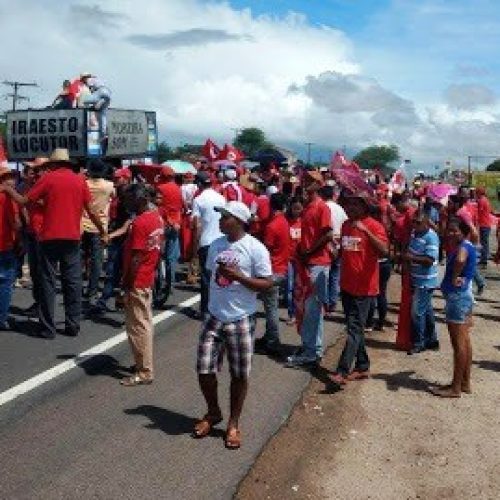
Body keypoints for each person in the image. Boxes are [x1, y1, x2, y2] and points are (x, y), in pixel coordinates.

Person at [193, 201, 273, 449]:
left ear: (238, 221)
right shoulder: (217, 244)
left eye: (224, 216)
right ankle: (213, 412)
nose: (219, 220)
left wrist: (238, 277)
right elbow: (211, 279)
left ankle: (233, 423)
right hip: (215, 316)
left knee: (239, 374)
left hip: (241, 318)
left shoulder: (255, 248)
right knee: (204, 368)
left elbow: (267, 283)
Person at [2, 148, 105, 339]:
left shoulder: (48, 179)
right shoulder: (79, 180)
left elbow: (24, 200)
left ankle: (48, 328)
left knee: (47, 282)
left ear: (53, 164)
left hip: (49, 238)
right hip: (72, 238)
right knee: (72, 282)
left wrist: (8, 189)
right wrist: (102, 230)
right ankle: (72, 325)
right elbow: (91, 210)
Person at [330, 192, 388, 385]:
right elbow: (345, 252)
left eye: (355, 205)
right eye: (349, 204)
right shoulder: (346, 225)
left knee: (354, 330)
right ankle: (362, 366)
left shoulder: (374, 226)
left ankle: (342, 370)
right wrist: (335, 251)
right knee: (355, 329)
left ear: (364, 207)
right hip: (347, 286)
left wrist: (366, 232)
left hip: (364, 289)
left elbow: (384, 251)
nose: (351, 208)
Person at [286, 170, 333, 367]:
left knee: (311, 308)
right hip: (309, 262)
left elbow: (328, 234)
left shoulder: (321, 207)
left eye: (311, 181)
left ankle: (311, 351)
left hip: (317, 263)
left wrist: (308, 251)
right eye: (305, 179)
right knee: (310, 307)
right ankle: (313, 347)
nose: (306, 183)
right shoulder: (308, 207)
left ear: (319, 184)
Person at [120, 184, 164, 386]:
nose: (125, 204)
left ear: (138, 201)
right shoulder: (156, 217)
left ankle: (145, 371)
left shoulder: (141, 223)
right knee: (143, 323)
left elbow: (136, 257)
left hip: (138, 279)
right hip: (147, 276)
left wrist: (126, 283)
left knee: (137, 326)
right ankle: (142, 363)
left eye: (128, 201)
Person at [432, 218, 476, 398]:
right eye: (449, 230)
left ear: (463, 232)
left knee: (458, 343)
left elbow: (460, 260)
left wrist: (455, 276)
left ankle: (455, 387)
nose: (450, 233)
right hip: (463, 296)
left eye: (454, 230)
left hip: (458, 298)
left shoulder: (463, 247)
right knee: (465, 341)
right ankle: (464, 383)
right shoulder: (468, 244)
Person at [254, 192, 290, 355]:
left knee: (270, 308)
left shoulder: (272, 226)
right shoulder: (283, 222)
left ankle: (273, 340)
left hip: (272, 270)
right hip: (281, 267)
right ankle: (270, 337)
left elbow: (264, 250)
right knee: (271, 306)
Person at [94, 168, 132, 314]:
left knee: (121, 272)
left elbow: (128, 223)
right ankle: (105, 300)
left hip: (125, 239)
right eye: (114, 178)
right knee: (112, 270)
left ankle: (114, 300)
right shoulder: (117, 194)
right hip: (115, 236)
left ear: (126, 179)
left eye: (118, 178)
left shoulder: (129, 197)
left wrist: (112, 235)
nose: (115, 180)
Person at [191, 171, 226, 318]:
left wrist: (194, 247)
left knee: (206, 278)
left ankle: (205, 310)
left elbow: (197, 225)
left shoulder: (198, 200)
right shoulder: (221, 198)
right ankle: (218, 307)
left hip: (206, 242)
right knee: (219, 277)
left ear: (199, 184)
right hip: (221, 240)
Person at [404, 212, 440, 355]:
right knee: (427, 311)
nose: (415, 225)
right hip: (416, 277)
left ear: (426, 223)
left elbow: (429, 260)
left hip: (425, 280)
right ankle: (431, 340)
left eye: (418, 223)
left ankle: (419, 343)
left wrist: (411, 257)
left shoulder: (431, 237)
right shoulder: (415, 233)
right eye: (414, 222)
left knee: (417, 313)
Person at [81, 159, 114, 303]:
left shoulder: (83, 184)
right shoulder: (109, 186)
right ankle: (92, 292)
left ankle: (77, 288)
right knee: (97, 262)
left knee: (79, 259)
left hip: (82, 225)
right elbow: (114, 197)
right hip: (99, 226)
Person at [156, 166, 183, 307]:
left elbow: (158, 205)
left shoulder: (160, 188)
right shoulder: (178, 188)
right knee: (171, 257)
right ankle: (170, 283)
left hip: (164, 222)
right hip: (176, 223)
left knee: (158, 255)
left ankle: (160, 282)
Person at [319, 185, 347, 315]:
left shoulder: (322, 207)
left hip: (325, 243)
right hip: (338, 242)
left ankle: (325, 303)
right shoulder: (340, 209)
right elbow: (345, 225)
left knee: (325, 275)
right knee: (335, 275)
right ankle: (332, 302)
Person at [0, 166, 21, 330]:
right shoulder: (7, 197)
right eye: (9, 177)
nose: (13, 180)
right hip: (4, 245)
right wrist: (20, 240)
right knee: (5, 283)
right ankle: (1, 319)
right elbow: (15, 223)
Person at [285, 196, 303, 326]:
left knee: (300, 287)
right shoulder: (286, 222)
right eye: (294, 208)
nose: (296, 211)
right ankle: (291, 314)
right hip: (289, 259)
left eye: (299, 208)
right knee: (289, 287)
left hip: (302, 259)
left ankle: (300, 313)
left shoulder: (305, 222)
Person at [476, 187, 492, 268]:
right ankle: (483, 259)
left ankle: (484, 261)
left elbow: (479, 211)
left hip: (484, 224)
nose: (475, 194)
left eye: (476, 192)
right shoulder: (485, 199)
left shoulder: (482, 200)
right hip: (486, 224)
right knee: (484, 243)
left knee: (484, 243)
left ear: (479, 193)